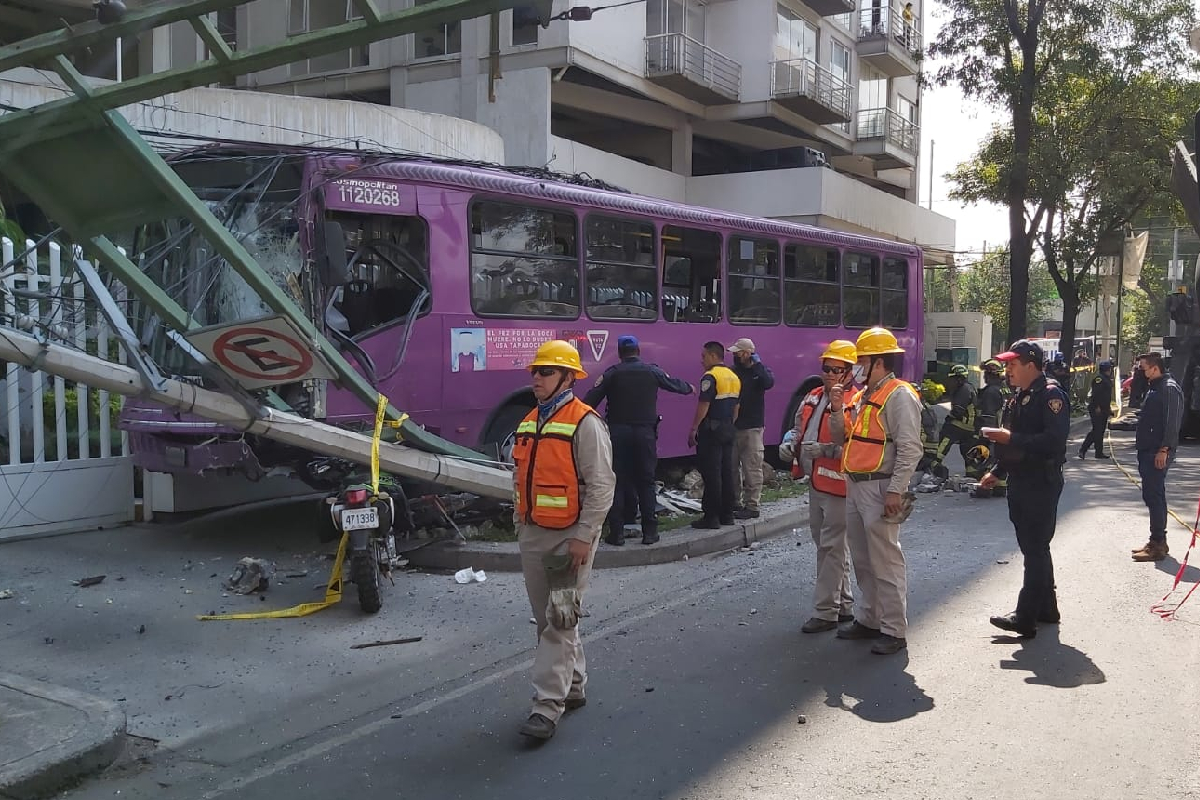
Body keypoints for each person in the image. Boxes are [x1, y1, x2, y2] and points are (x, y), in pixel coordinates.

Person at [511, 340, 616, 740]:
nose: (536, 378)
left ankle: (546, 707)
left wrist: (584, 537)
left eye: (546, 372)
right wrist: (520, 523)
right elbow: (519, 478)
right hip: (534, 535)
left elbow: (602, 486)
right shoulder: (529, 419)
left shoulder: (585, 422)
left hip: (568, 541)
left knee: (557, 620)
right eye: (535, 372)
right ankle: (573, 687)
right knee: (551, 619)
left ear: (569, 377)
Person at [829, 327, 923, 656]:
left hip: (881, 487)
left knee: (886, 561)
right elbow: (841, 439)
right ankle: (870, 618)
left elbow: (911, 449)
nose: (856, 367)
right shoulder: (861, 395)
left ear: (878, 363)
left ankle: (894, 629)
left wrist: (896, 491)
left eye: (862, 360)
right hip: (856, 485)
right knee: (863, 558)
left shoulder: (899, 395)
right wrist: (837, 408)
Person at [979, 339, 1069, 639]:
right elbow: (1016, 440)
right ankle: (1047, 607)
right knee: (1036, 547)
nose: (1007, 370)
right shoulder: (1020, 396)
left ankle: (1026, 616)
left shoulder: (1050, 395)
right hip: (1021, 479)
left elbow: (1053, 442)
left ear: (1031, 365)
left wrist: (1010, 440)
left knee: (1034, 548)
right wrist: (997, 470)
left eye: (1012, 365)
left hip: (1040, 482)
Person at [779, 340, 858, 634]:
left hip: (839, 486)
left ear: (850, 371)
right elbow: (798, 428)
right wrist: (791, 443)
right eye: (827, 368)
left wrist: (823, 450)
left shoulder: (854, 401)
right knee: (830, 548)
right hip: (817, 483)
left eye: (838, 369)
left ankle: (825, 612)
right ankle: (845, 604)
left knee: (830, 548)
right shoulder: (813, 396)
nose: (830, 374)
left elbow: (856, 447)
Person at [584, 335, 693, 546]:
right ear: (638, 351)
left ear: (619, 353)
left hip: (618, 435)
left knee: (617, 481)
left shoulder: (612, 374)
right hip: (645, 435)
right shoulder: (651, 371)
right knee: (646, 481)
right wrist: (690, 387)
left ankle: (616, 533)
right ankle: (650, 532)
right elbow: (675, 384)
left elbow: (589, 401)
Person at [1131, 352, 1184, 562]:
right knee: (1152, 495)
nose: (1142, 373)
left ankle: (1157, 543)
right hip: (1148, 449)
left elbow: (1172, 423)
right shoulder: (1156, 387)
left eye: (1144, 369)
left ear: (1154, 368)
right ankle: (1158, 540)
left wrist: (1165, 449)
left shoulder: (1169, 389)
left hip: (1157, 451)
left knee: (1154, 496)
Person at [689, 341, 741, 529]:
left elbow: (704, 405)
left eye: (704, 356)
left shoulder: (710, 377)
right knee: (727, 472)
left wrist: (694, 428)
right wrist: (729, 425)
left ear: (713, 356)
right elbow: (736, 407)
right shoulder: (733, 376)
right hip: (728, 428)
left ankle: (711, 517)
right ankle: (727, 515)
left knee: (712, 474)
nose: (701, 360)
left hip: (712, 430)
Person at [728, 338, 776, 520]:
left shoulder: (760, 372)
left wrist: (757, 365)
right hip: (734, 426)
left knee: (752, 468)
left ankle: (752, 505)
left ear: (747, 353)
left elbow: (769, 382)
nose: (734, 355)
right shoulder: (732, 371)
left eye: (738, 352)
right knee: (732, 468)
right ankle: (734, 502)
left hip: (752, 427)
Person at [929, 364, 979, 479]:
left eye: (952, 379)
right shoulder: (969, 387)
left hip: (959, 425)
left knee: (944, 440)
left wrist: (949, 418)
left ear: (959, 378)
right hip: (970, 429)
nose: (950, 382)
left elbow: (958, 411)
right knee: (968, 452)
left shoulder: (963, 390)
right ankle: (972, 473)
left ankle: (934, 465)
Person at [969, 359, 1010, 498]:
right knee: (999, 458)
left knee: (986, 459)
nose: (984, 376)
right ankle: (999, 488)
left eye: (986, 373)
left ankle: (984, 489)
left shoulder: (991, 392)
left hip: (992, 432)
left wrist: (983, 434)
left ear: (992, 374)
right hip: (1003, 431)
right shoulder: (1004, 388)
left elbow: (988, 415)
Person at [1078, 360, 1114, 460]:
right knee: (1096, 431)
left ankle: (1099, 452)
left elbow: (1106, 396)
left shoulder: (1106, 379)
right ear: (1107, 369)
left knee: (1100, 431)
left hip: (1104, 409)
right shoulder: (1100, 379)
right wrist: (1097, 406)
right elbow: (1096, 394)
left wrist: (1108, 408)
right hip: (1097, 409)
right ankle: (1083, 449)